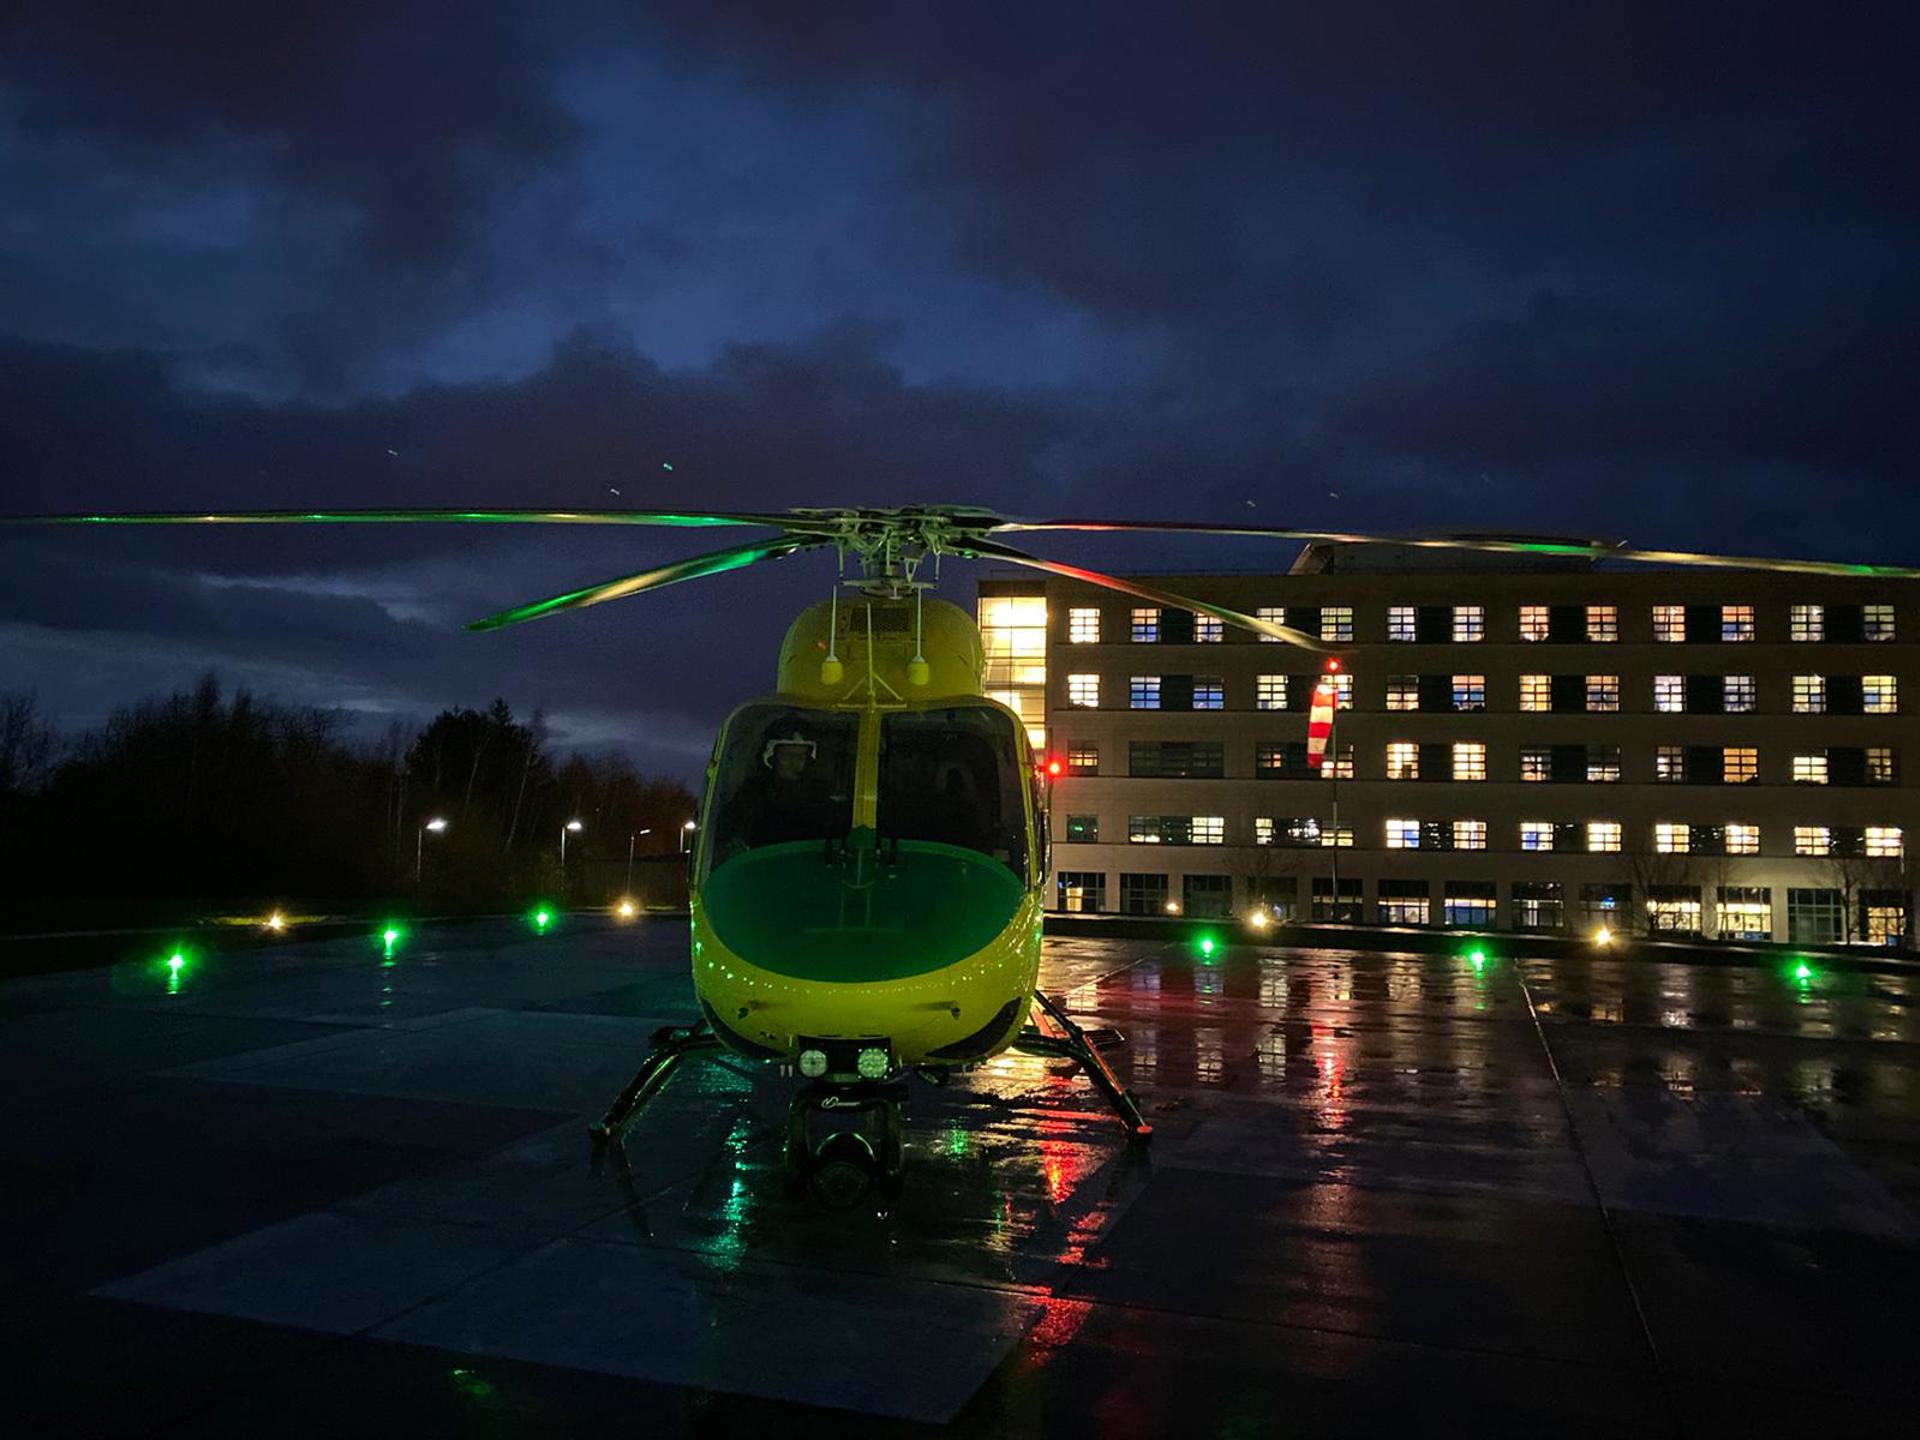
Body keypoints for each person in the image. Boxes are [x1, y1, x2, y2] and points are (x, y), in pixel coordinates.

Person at [722, 732, 838, 850]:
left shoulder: (821, 800)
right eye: (787, 756)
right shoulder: (751, 795)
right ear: (771, 758)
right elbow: (731, 835)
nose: (794, 763)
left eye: (800, 757)